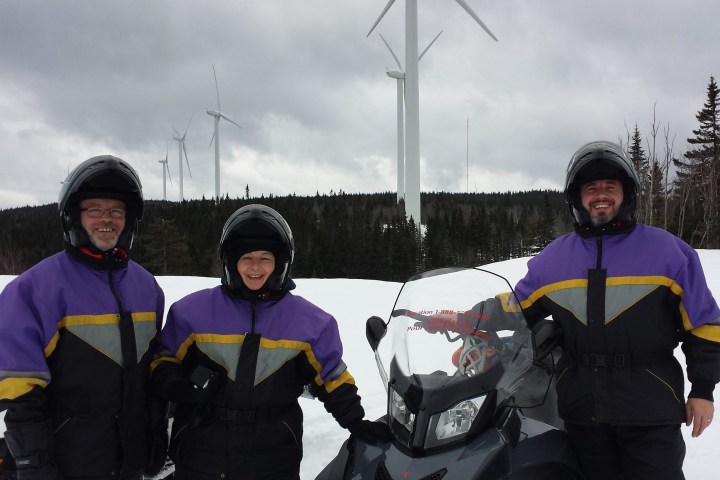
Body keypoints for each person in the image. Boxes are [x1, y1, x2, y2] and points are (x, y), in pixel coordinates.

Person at [513, 140, 720, 479]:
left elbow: (705, 325)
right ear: (578, 198)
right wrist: (469, 327)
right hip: (582, 410)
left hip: (650, 407)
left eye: (610, 186)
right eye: (591, 187)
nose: (601, 195)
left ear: (627, 194)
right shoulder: (553, 259)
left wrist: (703, 389)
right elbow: (512, 309)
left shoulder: (668, 252)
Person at [151, 204, 391, 480]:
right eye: (247, 257)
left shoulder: (311, 322)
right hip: (202, 448)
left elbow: (332, 377)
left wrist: (356, 420)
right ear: (230, 261)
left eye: (265, 258)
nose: (255, 267)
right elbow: (163, 359)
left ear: (281, 262)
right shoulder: (191, 312)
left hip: (274, 454)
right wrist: (177, 385)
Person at [0, 156, 167, 480]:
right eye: (94, 209)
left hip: (129, 462)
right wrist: (34, 464)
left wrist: (156, 430)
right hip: (65, 464)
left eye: (116, 210)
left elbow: (149, 374)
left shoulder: (146, 287)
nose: (107, 220)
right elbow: (19, 391)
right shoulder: (34, 289)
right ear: (74, 216)